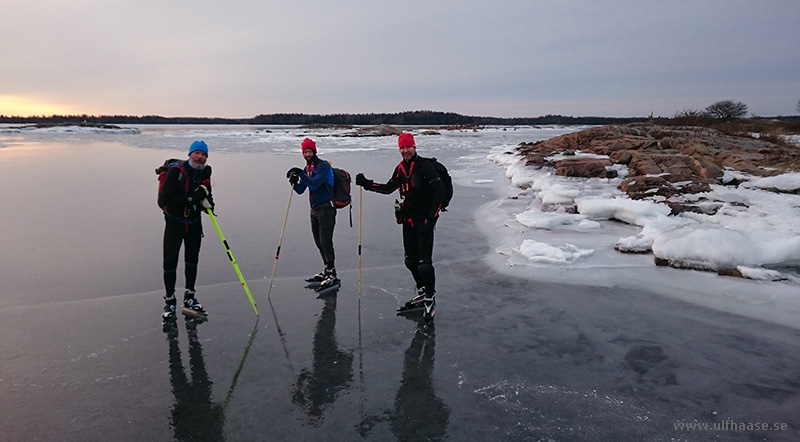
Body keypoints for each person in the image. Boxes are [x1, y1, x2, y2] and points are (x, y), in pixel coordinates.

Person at [355, 133, 445, 320]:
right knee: (410, 261)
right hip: (408, 219)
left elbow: (440, 191)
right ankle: (422, 291)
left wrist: (431, 217)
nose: (405, 151)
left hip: (425, 220)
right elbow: (389, 187)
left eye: (408, 147)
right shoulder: (400, 168)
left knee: (424, 264)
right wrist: (367, 184)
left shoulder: (425, 166)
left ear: (414, 147)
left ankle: (430, 298)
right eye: (402, 148)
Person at [160, 140, 214, 322]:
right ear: (190, 154)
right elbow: (164, 200)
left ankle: (190, 297)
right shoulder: (176, 172)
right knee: (170, 262)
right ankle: (170, 300)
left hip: (194, 223)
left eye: (204, 154)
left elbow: (208, 197)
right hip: (175, 222)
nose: (200, 157)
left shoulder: (205, 175)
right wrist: (193, 198)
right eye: (197, 153)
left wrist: (208, 205)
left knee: (192, 261)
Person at [287, 137, 340, 290]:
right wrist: (293, 181)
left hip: (327, 208)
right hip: (314, 209)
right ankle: (326, 270)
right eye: (305, 152)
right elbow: (301, 190)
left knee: (325, 241)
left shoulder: (322, 166)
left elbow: (316, 184)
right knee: (318, 242)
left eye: (309, 151)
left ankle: (332, 274)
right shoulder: (308, 169)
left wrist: (301, 174)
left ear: (314, 151)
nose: (307, 154)